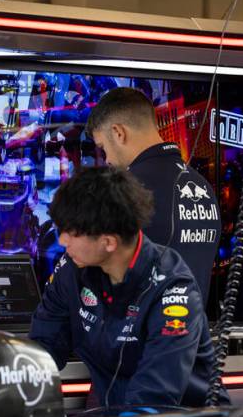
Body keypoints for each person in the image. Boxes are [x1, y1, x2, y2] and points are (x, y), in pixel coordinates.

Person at [29, 166, 226, 408]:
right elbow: (42, 348)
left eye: (71, 233)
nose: (62, 241)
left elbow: (156, 392)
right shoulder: (72, 273)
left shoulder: (173, 287)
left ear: (108, 242)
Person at [85, 87, 220, 302]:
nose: (107, 159)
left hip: (141, 332)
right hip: (191, 330)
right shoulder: (203, 186)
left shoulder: (125, 190)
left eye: (103, 147)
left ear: (119, 133)